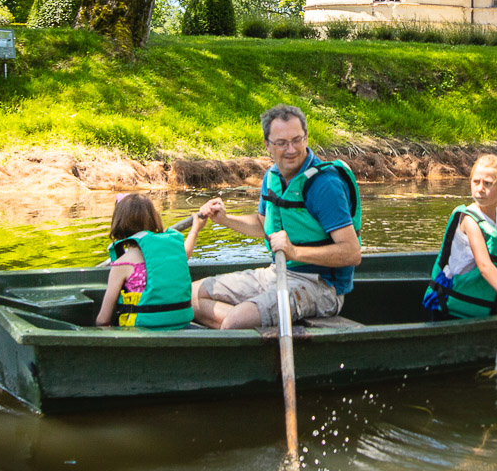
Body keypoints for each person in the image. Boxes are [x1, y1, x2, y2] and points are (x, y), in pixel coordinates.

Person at [191, 104, 362, 329]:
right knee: (188, 296)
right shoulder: (272, 177)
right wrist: (225, 219)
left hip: (321, 287)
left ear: (307, 138)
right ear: (267, 145)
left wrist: (294, 252)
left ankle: (244, 321)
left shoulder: (325, 186)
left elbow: (352, 253)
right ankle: (257, 322)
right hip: (277, 273)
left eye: (297, 140)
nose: (291, 149)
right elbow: (264, 226)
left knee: (236, 322)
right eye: (281, 143)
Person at [423, 154, 497, 329]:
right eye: (476, 182)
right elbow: (484, 266)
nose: (480, 188)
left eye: (487, 183)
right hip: (450, 312)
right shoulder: (469, 220)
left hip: (482, 309)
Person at [94, 193, 205, 328]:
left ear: (118, 222)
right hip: (179, 323)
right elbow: (185, 253)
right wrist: (195, 229)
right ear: (154, 219)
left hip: (142, 331)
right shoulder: (171, 254)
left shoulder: (122, 264)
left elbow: (103, 319)